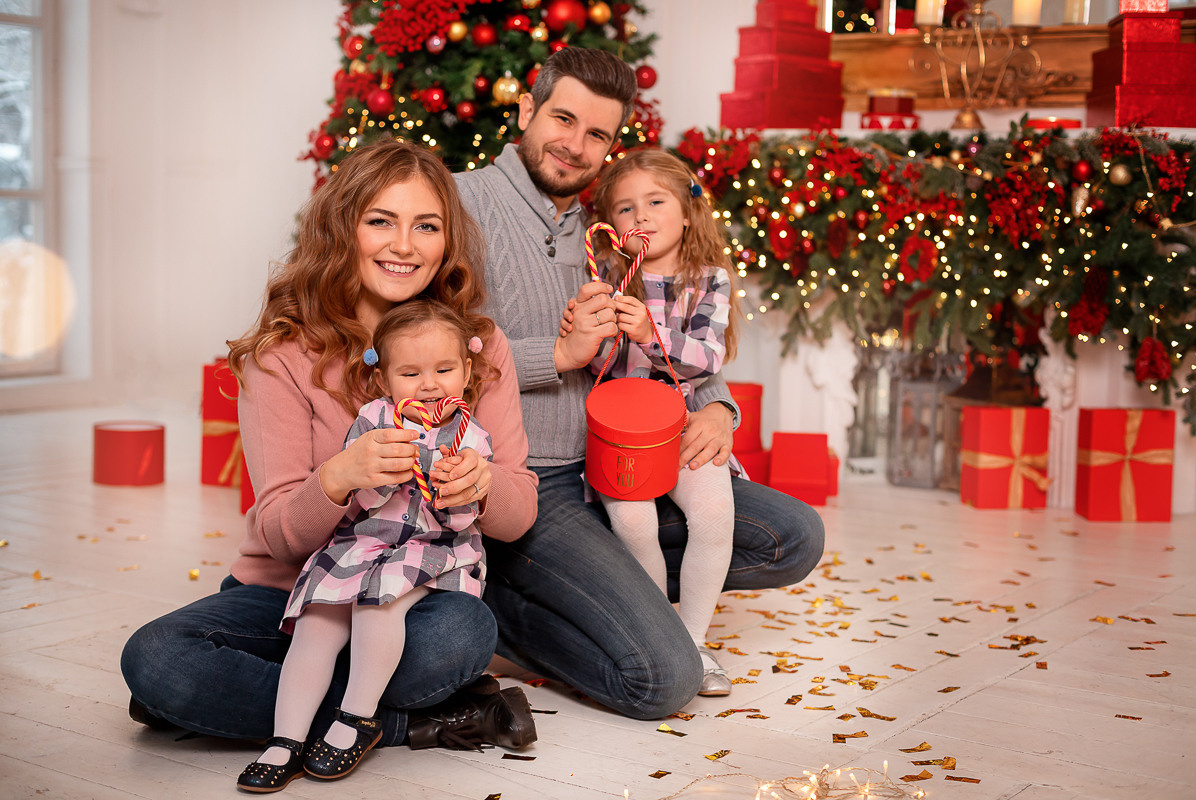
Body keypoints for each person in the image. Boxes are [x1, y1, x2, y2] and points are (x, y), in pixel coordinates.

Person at [121, 139, 539, 777]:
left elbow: (518, 514)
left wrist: (481, 486)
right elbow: (278, 536)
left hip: (408, 595)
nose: (404, 245)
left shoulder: (475, 349)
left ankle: (249, 706)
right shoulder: (281, 355)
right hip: (295, 595)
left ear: (447, 241)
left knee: (463, 634)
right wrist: (339, 478)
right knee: (157, 661)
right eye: (381, 221)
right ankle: (414, 722)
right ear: (344, 228)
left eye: (426, 225)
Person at [454, 47, 826, 720]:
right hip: (539, 480)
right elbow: (429, 353)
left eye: (596, 134)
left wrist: (718, 407)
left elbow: (672, 333)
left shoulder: (608, 226)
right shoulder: (460, 203)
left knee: (792, 536)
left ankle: (594, 586)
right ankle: (498, 608)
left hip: (630, 452)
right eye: (562, 119)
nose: (574, 145)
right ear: (525, 109)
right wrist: (558, 352)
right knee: (661, 679)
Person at [237, 298, 530, 791]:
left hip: (433, 545)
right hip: (366, 540)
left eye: (444, 369)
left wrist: (462, 487)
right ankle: (285, 739)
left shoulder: (470, 437)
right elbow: (361, 506)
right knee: (316, 621)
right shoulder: (374, 420)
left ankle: (356, 717)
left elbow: (460, 520)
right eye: (410, 373)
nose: (430, 383)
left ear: (466, 371)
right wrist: (362, 471)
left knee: (378, 604)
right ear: (383, 378)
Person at [559, 149, 743, 698]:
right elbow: (595, 370)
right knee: (633, 523)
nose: (639, 216)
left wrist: (648, 331)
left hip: (683, 426)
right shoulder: (608, 278)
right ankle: (660, 626)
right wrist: (588, 331)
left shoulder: (709, 281)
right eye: (624, 208)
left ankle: (692, 640)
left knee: (714, 515)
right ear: (610, 225)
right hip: (621, 435)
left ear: (687, 212)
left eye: (655, 201)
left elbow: (704, 361)